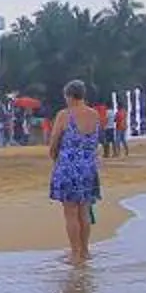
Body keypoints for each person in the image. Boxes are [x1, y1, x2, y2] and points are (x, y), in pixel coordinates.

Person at [45, 80, 104, 262]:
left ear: (69, 96)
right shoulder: (94, 115)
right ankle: (85, 251)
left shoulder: (65, 115)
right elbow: (96, 141)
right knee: (84, 211)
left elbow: (54, 142)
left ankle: (75, 253)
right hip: (88, 167)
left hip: (68, 167)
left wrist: (56, 159)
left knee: (70, 213)